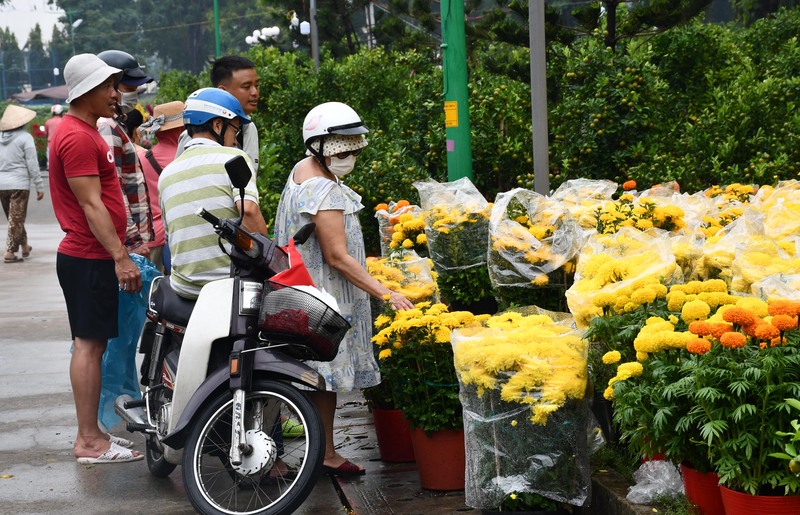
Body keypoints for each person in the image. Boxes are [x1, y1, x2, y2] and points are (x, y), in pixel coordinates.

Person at [273, 101, 414, 476]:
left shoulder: (302, 172)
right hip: (327, 294)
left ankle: (324, 450)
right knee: (326, 374)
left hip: (306, 289)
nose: (349, 155)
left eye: (353, 147)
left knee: (320, 375)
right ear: (320, 146)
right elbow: (337, 256)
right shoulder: (322, 188)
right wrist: (386, 292)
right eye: (341, 148)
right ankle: (326, 454)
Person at [49, 53, 143, 464]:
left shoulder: (86, 132)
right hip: (88, 257)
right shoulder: (76, 137)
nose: (114, 94)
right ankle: (88, 440)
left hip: (92, 257)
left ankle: (95, 434)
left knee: (95, 342)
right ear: (85, 91)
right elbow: (92, 205)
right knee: (88, 346)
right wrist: (120, 258)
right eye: (107, 86)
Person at [159, 88, 268, 299]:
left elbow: (169, 235)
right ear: (218, 125)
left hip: (183, 288)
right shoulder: (234, 157)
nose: (235, 140)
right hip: (226, 285)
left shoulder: (167, 173)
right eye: (234, 131)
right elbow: (250, 213)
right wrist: (273, 260)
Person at [96, 49, 154, 259]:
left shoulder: (117, 124)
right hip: (126, 243)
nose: (134, 95)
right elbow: (114, 187)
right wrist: (132, 239)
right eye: (129, 88)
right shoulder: (107, 127)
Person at [175, 55, 260, 170]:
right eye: (246, 86)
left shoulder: (249, 128)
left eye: (257, 85)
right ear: (223, 91)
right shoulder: (196, 133)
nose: (255, 92)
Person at [137, 100, 185, 274]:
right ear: (182, 129)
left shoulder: (143, 158)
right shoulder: (187, 158)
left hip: (153, 237)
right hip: (180, 234)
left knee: (154, 293)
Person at [0, 105, 45, 263]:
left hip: (2, 185)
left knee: (15, 219)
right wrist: (39, 186)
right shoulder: (25, 138)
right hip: (19, 184)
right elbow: (32, 164)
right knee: (16, 219)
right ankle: (10, 252)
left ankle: (25, 246)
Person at [43, 103, 64, 169]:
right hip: (62, 144)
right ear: (61, 112)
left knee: (51, 165)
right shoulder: (64, 121)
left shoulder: (48, 122)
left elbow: (46, 134)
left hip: (50, 145)